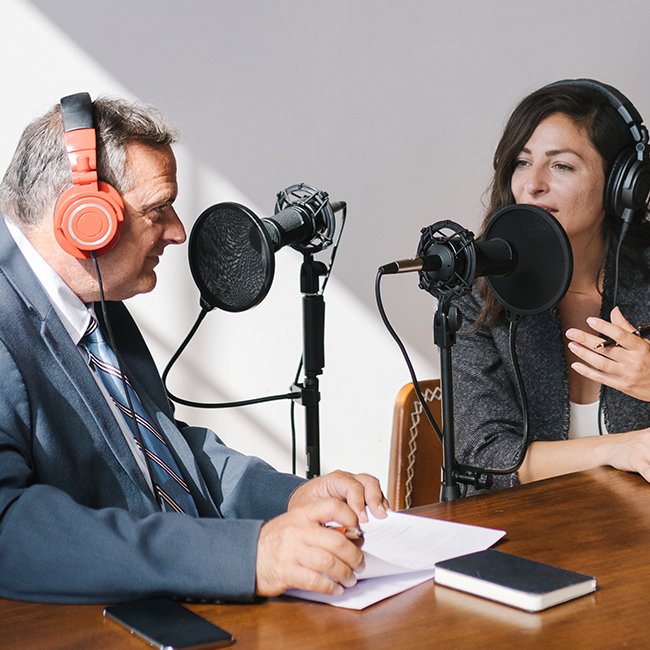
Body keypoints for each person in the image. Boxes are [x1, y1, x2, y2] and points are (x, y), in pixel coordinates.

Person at [0, 92, 387, 604]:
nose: (178, 232)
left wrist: (290, 497)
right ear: (85, 219)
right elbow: (8, 527)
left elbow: (160, 450)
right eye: (157, 210)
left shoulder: (93, 297)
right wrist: (245, 557)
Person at [452, 79, 650, 493]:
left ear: (622, 185)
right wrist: (619, 449)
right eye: (522, 162)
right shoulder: (475, 291)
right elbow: (483, 454)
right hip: (526, 526)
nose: (532, 184)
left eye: (561, 166)